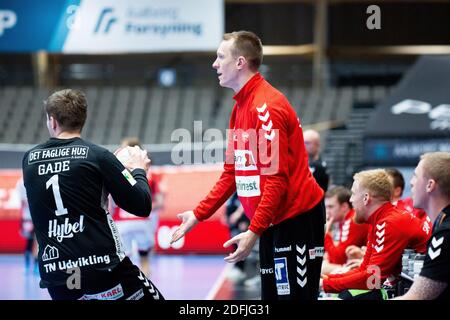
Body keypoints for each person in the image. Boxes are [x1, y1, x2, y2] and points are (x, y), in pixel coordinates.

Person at [171, 31, 325, 300]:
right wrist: (198, 214)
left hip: (296, 220)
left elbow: (277, 180)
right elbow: (232, 172)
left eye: (220, 57)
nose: (214, 64)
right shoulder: (240, 107)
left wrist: (253, 232)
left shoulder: (266, 108)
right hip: (272, 222)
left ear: (240, 62)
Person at [22, 89, 164, 300]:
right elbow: (142, 205)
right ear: (82, 119)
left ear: (52, 122)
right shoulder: (97, 156)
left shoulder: (29, 160)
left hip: (58, 275)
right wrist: (137, 170)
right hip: (102, 269)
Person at [321, 169, 429, 300]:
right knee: (345, 293)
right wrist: (327, 280)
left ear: (366, 198)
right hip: (407, 286)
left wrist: (326, 284)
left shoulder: (390, 222)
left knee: (347, 295)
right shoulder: (379, 220)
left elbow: (372, 279)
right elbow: (365, 269)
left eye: (353, 194)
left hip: (421, 291)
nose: (351, 199)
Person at [393, 152, 450, 300]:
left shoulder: (446, 233)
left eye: (415, 176)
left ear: (430, 185)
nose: (411, 182)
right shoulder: (442, 224)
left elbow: (416, 297)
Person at [111, 137, 164, 277]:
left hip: (122, 223)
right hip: (142, 221)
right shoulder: (148, 174)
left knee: (124, 263)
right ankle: (146, 291)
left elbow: (110, 202)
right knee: (145, 261)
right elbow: (159, 201)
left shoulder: (119, 174)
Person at [322, 186, 368, 275]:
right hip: (362, 266)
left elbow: (338, 259)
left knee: (322, 267)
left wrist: (326, 233)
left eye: (330, 207)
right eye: (326, 207)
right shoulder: (344, 220)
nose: (327, 212)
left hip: (368, 270)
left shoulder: (353, 220)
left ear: (344, 207)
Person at [16, 177, 38, 274]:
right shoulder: (21, 182)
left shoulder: (36, 178)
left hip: (37, 215)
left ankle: (36, 265)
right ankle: (27, 264)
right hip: (28, 216)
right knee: (29, 241)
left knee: (37, 242)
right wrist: (22, 219)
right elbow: (22, 202)